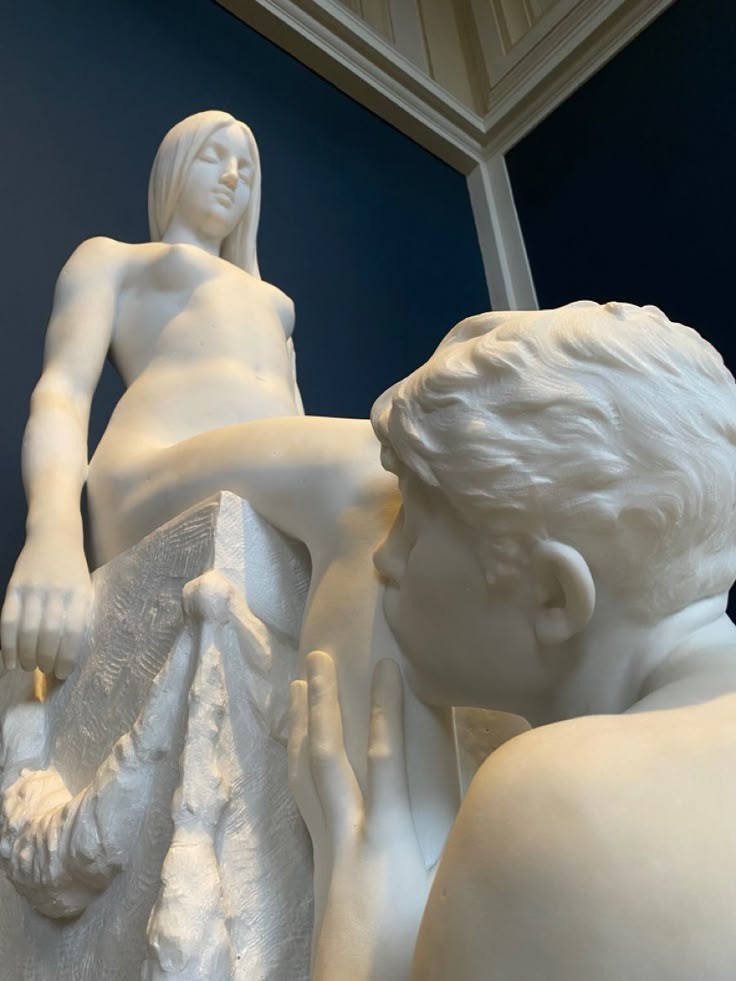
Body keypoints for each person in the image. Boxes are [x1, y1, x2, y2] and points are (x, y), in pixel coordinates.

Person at [0, 111, 462, 932]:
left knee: (404, 488)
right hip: (150, 471)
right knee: (371, 466)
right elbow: (61, 394)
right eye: (214, 155)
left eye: (247, 165)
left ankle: (433, 857)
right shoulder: (116, 260)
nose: (233, 175)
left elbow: (290, 419)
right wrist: (52, 534)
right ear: (172, 167)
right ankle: (388, 869)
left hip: (246, 467)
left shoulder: (275, 303)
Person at [290, 301, 736, 980]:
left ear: (554, 594)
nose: (386, 557)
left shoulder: (556, 801)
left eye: (413, 525)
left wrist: (363, 942)